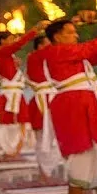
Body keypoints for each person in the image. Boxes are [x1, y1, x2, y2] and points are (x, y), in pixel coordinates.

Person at [44, 16, 97, 194]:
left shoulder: (68, 53)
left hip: (78, 103)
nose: (75, 35)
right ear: (57, 37)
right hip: (72, 104)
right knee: (79, 150)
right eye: (70, 32)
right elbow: (92, 48)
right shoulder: (58, 51)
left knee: (86, 149)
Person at [0, 25, 44, 154]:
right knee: (10, 122)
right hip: (10, 94)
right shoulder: (3, 51)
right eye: (10, 38)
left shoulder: (8, 55)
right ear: (2, 41)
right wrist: (34, 31)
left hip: (16, 93)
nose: (13, 41)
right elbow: (19, 44)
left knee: (22, 120)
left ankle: (17, 148)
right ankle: (11, 148)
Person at [24, 35, 60, 178]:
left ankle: (46, 170)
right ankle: (45, 171)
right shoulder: (36, 56)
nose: (52, 45)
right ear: (40, 46)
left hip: (51, 98)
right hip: (43, 100)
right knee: (43, 137)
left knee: (54, 137)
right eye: (48, 43)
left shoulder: (41, 57)